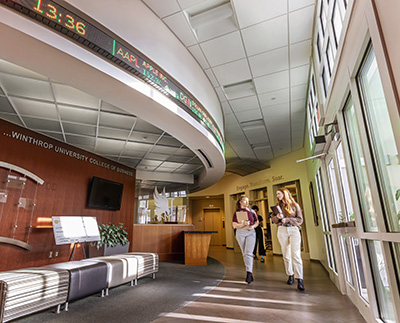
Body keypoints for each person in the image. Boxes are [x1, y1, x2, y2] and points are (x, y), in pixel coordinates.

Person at [271, 188, 305, 291]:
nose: (277, 195)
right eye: (277, 194)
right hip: (282, 230)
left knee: (296, 255)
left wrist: (287, 219)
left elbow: (300, 220)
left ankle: (299, 279)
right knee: (286, 255)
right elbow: (273, 220)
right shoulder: (277, 207)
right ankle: (290, 274)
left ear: (284, 194)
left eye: (279, 193)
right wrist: (277, 217)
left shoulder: (295, 205)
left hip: (294, 230)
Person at [232, 195, 259, 284]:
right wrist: (243, 224)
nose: (247, 202)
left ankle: (249, 273)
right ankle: (249, 271)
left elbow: (257, 222)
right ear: (240, 202)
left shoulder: (252, 211)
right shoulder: (237, 212)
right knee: (245, 253)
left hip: (251, 232)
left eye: (248, 201)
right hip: (240, 233)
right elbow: (234, 225)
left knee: (248, 253)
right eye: (245, 201)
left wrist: (253, 226)